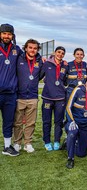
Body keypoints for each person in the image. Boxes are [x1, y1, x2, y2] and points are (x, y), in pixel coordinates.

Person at [13, 39, 44, 153]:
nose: (32, 50)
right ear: (25, 48)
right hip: (19, 96)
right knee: (17, 122)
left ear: (37, 50)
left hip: (32, 97)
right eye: (30, 47)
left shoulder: (40, 62)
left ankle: (28, 143)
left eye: (35, 48)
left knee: (31, 123)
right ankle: (17, 143)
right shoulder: (18, 59)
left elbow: (40, 76)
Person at [65, 74, 87, 169]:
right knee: (72, 133)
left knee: (82, 153)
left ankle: (69, 143)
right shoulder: (78, 90)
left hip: (85, 125)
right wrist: (71, 121)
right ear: (85, 82)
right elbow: (68, 107)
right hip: (75, 122)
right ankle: (70, 158)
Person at [0, 23, 22, 156]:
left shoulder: (17, 49)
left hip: (10, 94)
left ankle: (7, 147)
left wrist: (50, 59)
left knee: (8, 121)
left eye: (9, 34)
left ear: (12, 35)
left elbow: (30, 58)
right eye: (4, 33)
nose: (6, 36)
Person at [41, 46, 68, 151]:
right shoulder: (46, 63)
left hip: (60, 98)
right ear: (55, 52)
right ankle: (47, 141)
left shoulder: (65, 66)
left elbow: (65, 81)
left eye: (62, 53)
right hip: (47, 97)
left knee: (58, 121)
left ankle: (57, 141)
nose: (60, 54)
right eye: (59, 52)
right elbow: (40, 76)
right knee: (46, 121)